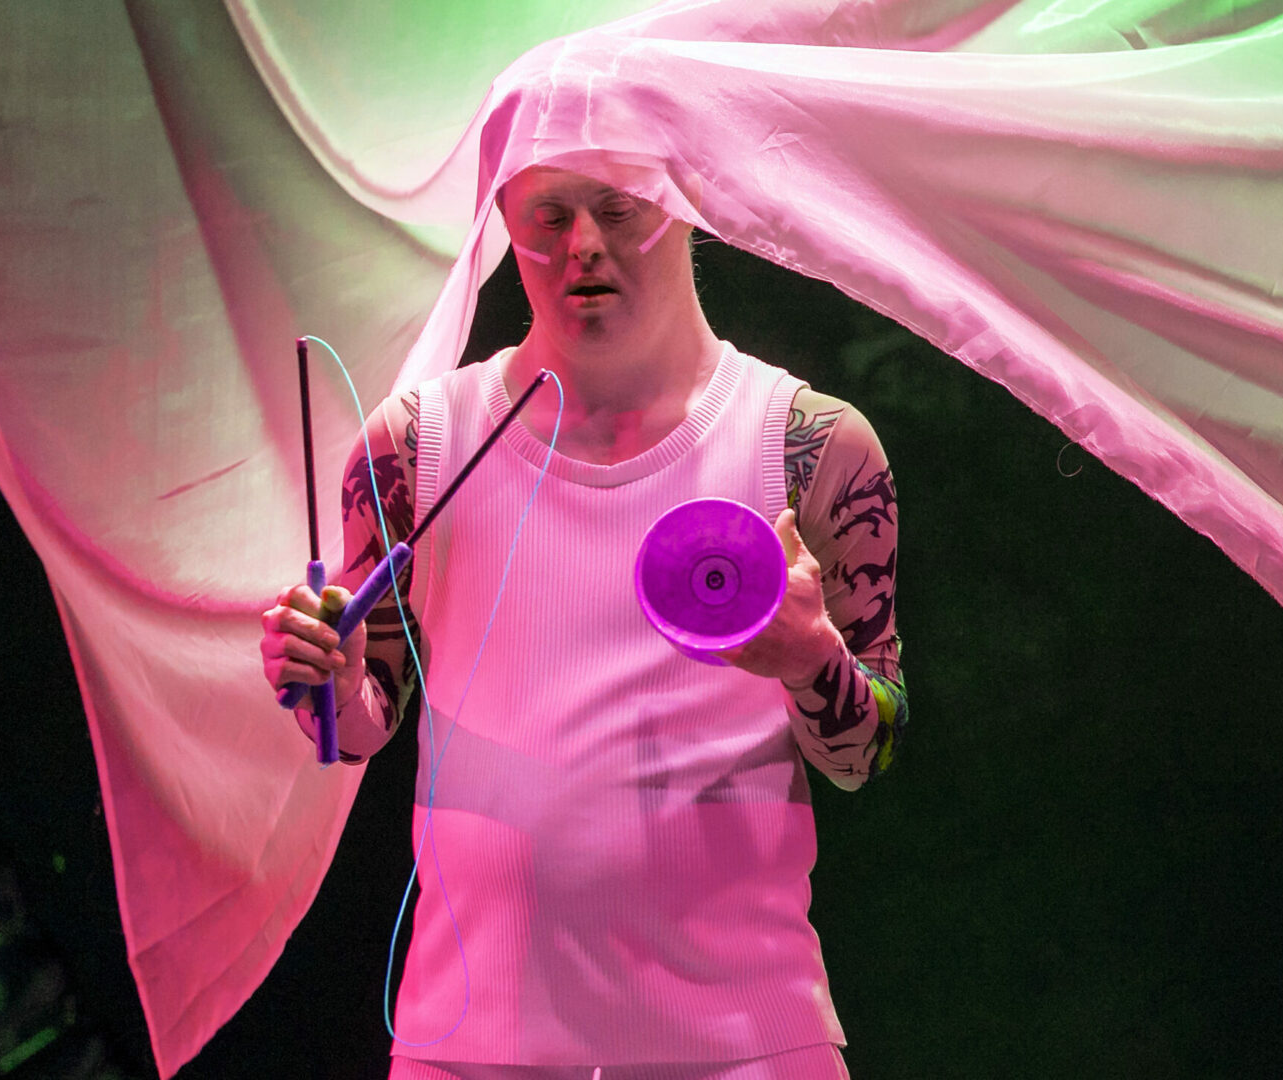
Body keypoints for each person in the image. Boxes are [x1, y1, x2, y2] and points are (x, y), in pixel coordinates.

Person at [259, 164, 905, 1080]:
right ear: (504, 228)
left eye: (618, 210)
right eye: (550, 217)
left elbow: (863, 756)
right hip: (472, 1044)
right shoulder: (411, 449)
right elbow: (362, 725)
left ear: (687, 201)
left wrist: (810, 661)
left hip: (742, 1045)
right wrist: (323, 677)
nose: (584, 245)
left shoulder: (811, 444)